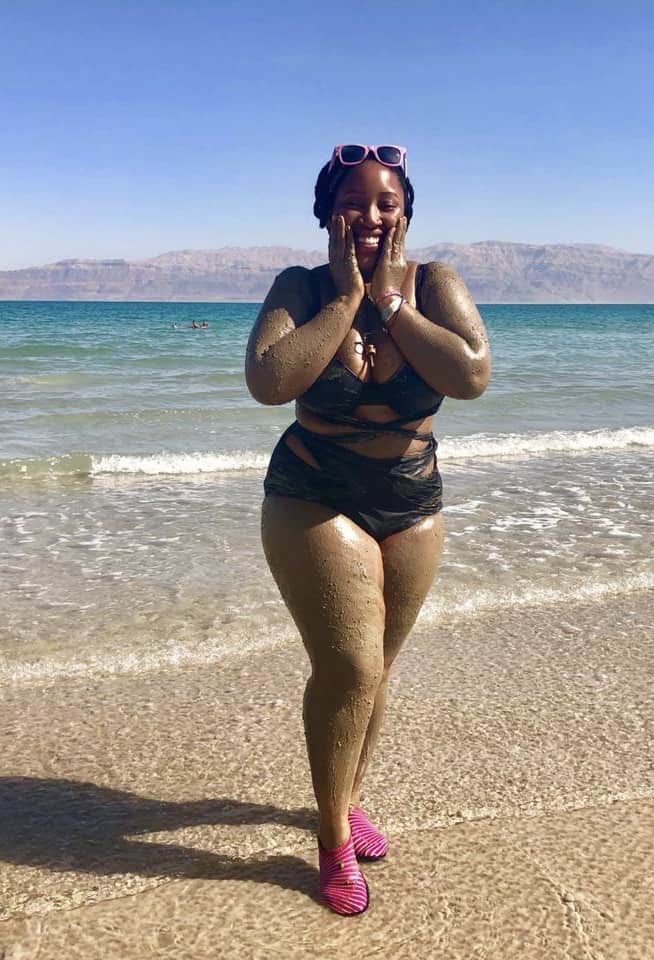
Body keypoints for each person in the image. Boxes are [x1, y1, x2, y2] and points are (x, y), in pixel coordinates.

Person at [245, 143, 490, 915]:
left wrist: (389, 303)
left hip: (411, 497)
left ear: (406, 213)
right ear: (327, 213)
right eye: (353, 202)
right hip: (314, 492)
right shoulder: (301, 286)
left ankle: (345, 797)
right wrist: (345, 299)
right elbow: (269, 381)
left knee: (376, 668)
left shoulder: (435, 283)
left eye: (387, 202)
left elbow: (471, 376)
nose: (371, 216)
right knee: (349, 667)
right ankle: (331, 839)